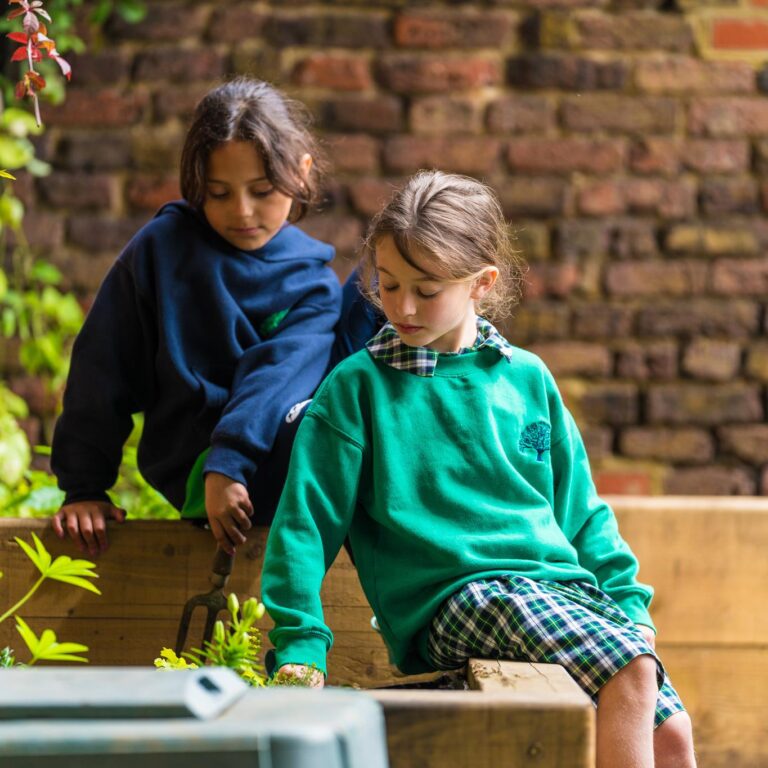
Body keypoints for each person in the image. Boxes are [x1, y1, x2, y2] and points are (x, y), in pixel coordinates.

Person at [261, 171, 696, 767]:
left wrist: (627, 601)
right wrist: (301, 644)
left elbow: (582, 511)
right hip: (454, 596)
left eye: (427, 289)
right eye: (388, 285)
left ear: (482, 284)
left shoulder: (527, 378)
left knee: (672, 734)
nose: (403, 307)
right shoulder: (354, 390)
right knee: (633, 669)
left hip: (560, 592)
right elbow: (303, 524)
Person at [50, 77, 341, 557]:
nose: (242, 212)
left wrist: (233, 459)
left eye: (263, 190)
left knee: (374, 298)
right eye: (219, 193)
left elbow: (278, 380)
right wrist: (84, 488)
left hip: (271, 452)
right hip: (203, 468)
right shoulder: (162, 250)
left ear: (302, 172)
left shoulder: (313, 283)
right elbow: (102, 366)